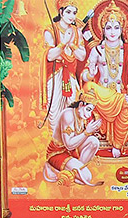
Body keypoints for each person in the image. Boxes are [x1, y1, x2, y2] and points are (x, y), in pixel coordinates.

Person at [80, 2, 128, 157]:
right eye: (108, 28)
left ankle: (117, 144)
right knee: (89, 86)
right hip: (102, 94)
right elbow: (85, 75)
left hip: (120, 94)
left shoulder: (127, 49)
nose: (112, 32)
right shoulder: (96, 50)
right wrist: (90, 73)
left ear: (122, 29)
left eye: (116, 27)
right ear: (102, 30)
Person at [43, 0, 88, 128]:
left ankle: (71, 141)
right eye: (68, 12)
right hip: (56, 75)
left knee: (74, 106)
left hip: (70, 75)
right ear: (61, 12)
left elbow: (81, 56)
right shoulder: (51, 30)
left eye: (74, 13)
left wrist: (72, 44)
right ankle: (56, 142)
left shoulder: (77, 31)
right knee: (54, 110)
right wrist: (63, 43)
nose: (71, 16)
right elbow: (50, 56)